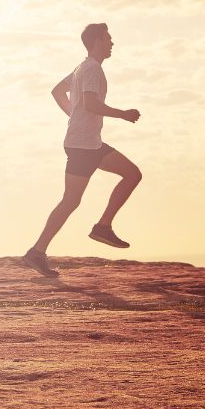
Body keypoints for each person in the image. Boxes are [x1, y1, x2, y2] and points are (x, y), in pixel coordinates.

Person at [23, 23, 143, 277]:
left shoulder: (82, 67)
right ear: (97, 41)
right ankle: (38, 251)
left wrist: (72, 114)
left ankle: (102, 227)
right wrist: (122, 114)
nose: (112, 43)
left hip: (89, 143)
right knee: (70, 200)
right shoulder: (92, 69)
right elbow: (90, 104)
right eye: (108, 38)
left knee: (132, 174)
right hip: (83, 146)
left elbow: (57, 91)